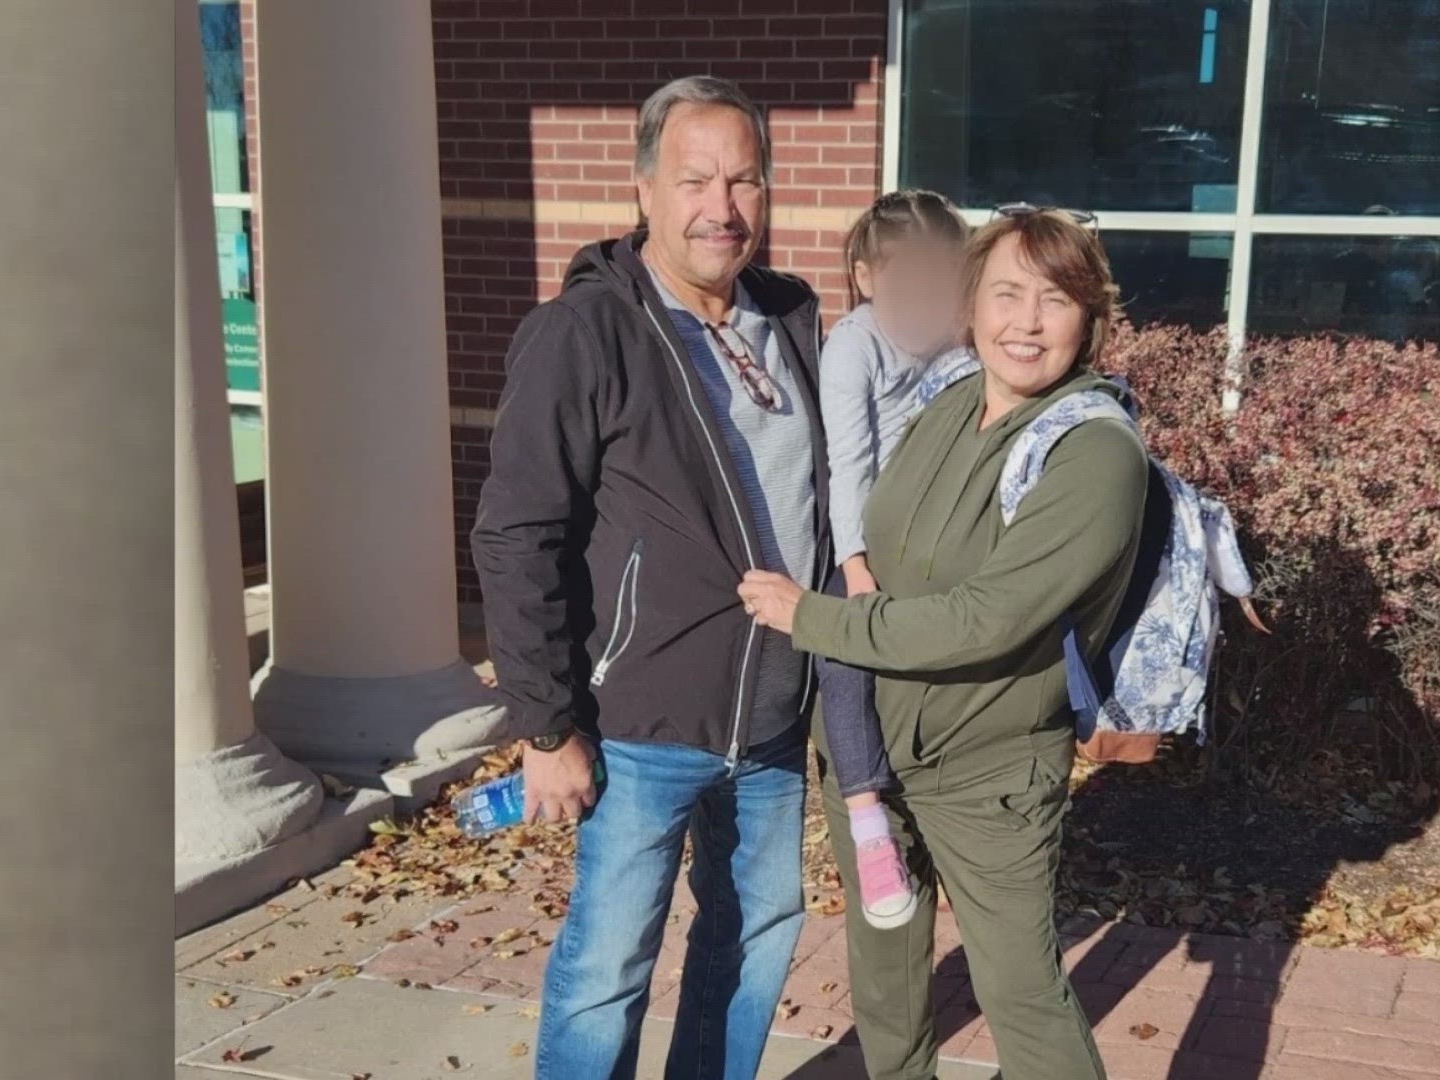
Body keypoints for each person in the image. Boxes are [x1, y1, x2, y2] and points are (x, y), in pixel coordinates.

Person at [470, 75, 828, 1080]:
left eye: (745, 180)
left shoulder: (791, 317)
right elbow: (515, 534)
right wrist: (547, 725)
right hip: (638, 725)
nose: (722, 207)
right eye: (696, 179)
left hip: (768, 720)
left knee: (752, 943)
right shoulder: (585, 333)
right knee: (609, 967)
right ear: (643, 189)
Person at [738, 208, 1149, 1080]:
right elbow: (877, 539)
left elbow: (986, 618)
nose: (1027, 321)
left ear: (1090, 319)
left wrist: (813, 618)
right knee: (886, 979)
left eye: (1056, 299)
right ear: (972, 304)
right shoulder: (951, 399)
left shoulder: (1094, 453)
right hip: (871, 752)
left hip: (988, 770)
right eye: (1006, 293)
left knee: (1020, 991)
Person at [815, 189, 969, 929]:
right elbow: (848, 464)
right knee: (842, 663)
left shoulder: (953, 346)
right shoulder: (854, 347)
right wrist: (854, 566)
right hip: (861, 539)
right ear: (867, 276)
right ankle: (867, 817)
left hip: (930, 540)